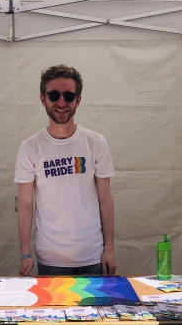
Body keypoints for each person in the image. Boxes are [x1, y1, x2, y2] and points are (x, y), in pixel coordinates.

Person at [15, 64, 116, 276]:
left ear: (78, 100)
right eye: (54, 95)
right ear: (43, 99)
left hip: (92, 255)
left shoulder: (96, 142)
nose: (61, 102)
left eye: (69, 96)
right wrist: (25, 253)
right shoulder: (30, 147)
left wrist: (110, 249)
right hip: (50, 257)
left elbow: (105, 198)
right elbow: (25, 203)